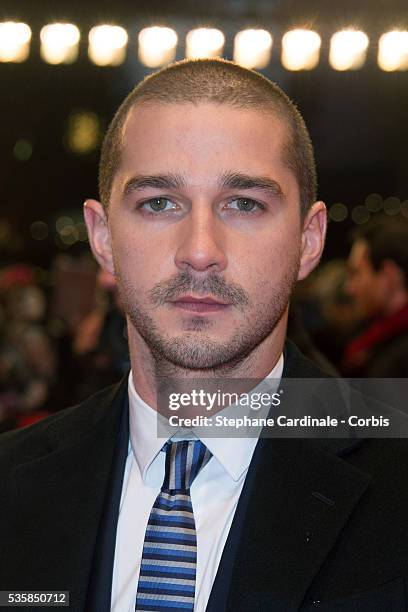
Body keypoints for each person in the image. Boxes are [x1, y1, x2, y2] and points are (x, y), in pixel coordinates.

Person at [1, 59, 408, 612]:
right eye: (159, 203)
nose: (199, 249)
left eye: (244, 204)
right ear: (102, 238)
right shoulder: (13, 482)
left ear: (309, 241)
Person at [343, 214, 408, 376]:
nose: (349, 288)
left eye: (356, 274)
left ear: (388, 276)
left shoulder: (399, 360)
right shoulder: (375, 336)